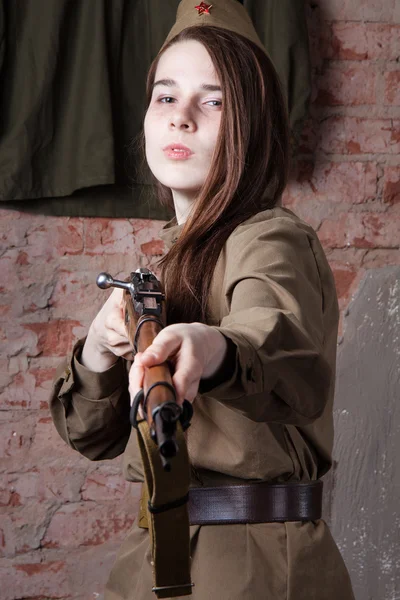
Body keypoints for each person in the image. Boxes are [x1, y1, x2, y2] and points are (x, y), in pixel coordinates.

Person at [50, 1, 356, 598]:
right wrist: (99, 350)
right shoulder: (170, 261)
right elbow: (91, 436)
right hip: (161, 554)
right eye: (165, 97)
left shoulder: (269, 238)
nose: (180, 118)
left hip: (251, 563)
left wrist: (210, 346)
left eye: (212, 101)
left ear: (251, 123)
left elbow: (275, 340)